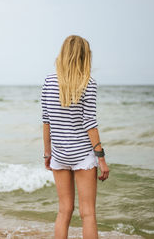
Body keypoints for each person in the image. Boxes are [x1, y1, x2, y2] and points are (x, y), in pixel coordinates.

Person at [41, 35, 109, 239]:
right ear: (84, 56)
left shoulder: (48, 81)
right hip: (82, 156)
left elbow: (46, 121)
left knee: (64, 211)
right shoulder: (89, 83)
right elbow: (90, 123)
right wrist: (102, 159)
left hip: (60, 155)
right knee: (88, 214)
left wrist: (47, 154)